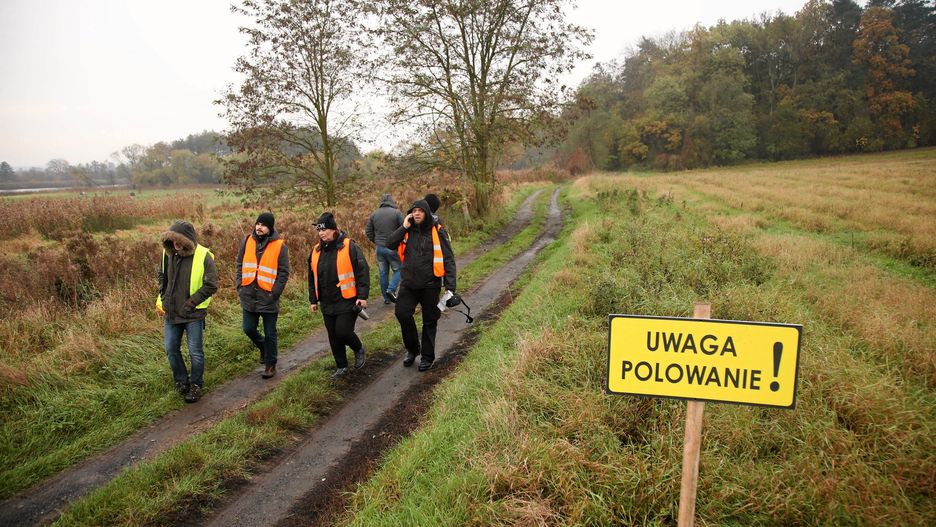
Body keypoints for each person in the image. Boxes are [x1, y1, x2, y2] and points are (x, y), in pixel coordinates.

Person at [387, 199, 456, 371]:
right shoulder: (407, 230)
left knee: (430, 321)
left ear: (426, 213)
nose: (416, 213)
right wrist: (403, 227)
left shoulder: (438, 231)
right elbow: (389, 244)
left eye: (420, 211)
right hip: (409, 284)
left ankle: (427, 357)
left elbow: (448, 258)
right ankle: (412, 349)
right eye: (413, 211)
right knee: (402, 314)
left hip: (430, 285)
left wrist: (450, 287)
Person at [156, 220, 218, 403]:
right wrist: (164, 294)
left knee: (195, 352)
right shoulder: (167, 253)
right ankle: (182, 381)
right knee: (170, 348)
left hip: (193, 314)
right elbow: (162, 276)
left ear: (188, 239)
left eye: (179, 240)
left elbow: (211, 285)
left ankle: (196, 385)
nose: (175, 243)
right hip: (172, 311)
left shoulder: (204, 256)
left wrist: (192, 303)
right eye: (172, 239)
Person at [308, 212, 370, 378]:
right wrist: (313, 299)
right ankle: (341, 366)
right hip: (327, 302)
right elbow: (311, 276)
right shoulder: (315, 251)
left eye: (325, 229)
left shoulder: (349, 246)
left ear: (334, 229)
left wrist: (362, 296)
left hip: (347, 299)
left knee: (343, 332)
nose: (321, 233)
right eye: (319, 230)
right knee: (333, 336)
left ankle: (358, 348)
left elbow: (362, 271)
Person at [236, 212, 289, 379]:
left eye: (263, 225)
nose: (259, 227)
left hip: (268, 297)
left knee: (270, 332)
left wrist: (274, 294)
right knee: (248, 328)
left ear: (270, 228)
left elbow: (283, 273)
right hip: (249, 295)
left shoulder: (280, 246)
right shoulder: (246, 241)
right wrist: (240, 285)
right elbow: (239, 264)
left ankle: (270, 364)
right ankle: (264, 348)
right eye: (258, 223)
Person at [365, 194, 404, 304]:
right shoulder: (397, 213)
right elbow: (405, 228)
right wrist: (399, 241)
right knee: (399, 269)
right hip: (393, 248)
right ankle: (391, 290)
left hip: (380, 248)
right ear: (392, 201)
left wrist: (376, 241)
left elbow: (368, 231)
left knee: (383, 273)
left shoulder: (374, 214)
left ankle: (386, 299)